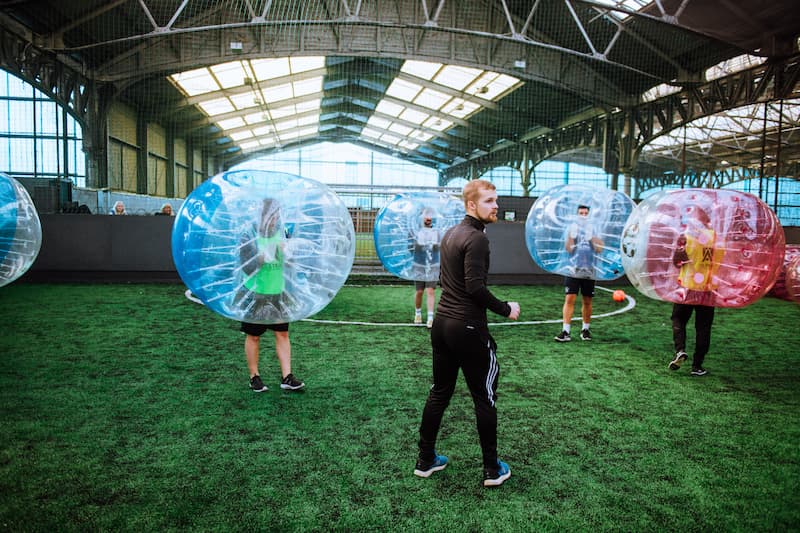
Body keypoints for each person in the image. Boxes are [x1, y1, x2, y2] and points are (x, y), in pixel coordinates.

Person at [414, 179, 520, 488]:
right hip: (467, 328)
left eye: (495, 200)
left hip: (443, 326)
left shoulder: (451, 233)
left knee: (440, 392)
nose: (495, 205)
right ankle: (492, 470)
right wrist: (506, 308)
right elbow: (474, 287)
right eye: (489, 201)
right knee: (484, 398)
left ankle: (425, 460)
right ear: (471, 205)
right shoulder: (476, 238)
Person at [237, 198, 304, 392]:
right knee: (254, 336)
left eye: (277, 215)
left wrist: (289, 252)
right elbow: (246, 267)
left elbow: (291, 264)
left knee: (282, 333)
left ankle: (287, 377)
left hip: (278, 291)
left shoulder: (282, 233)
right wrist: (263, 255)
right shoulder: (249, 235)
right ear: (262, 215)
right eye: (271, 216)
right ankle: (254, 376)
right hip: (255, 293)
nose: (275, 220)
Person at [667, 206, 724, 376]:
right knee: (703, 327)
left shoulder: (687, 238)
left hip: (688, 287)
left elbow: (676, 262)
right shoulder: (717, 239)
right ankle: (697, 366)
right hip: (709, 288)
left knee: (678, 318)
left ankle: (680, 350)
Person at [554, 204, 603, 342]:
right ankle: (566, 331)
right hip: (573, 269)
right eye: (581, 213)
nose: (583, 215)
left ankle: (585, 329)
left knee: (587, 300)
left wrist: (591, 236)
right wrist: (572, 235)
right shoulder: (572, 228)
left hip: (589, 269)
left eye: (585, 213)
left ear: (589, 215)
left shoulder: (594, 228)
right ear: (577, 215)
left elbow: (600, 249)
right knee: (570, 299)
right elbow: (568, 249)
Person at [412, 208, 441, 328]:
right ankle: (417, 313)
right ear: (421, 217)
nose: (428, 218)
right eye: (426, 216)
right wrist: (418, 244)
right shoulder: (415, 231)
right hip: (419, 264)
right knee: (419, 291)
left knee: (430, 291)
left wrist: (435, 244)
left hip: (432, 264)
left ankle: (430, 318)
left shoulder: (436, 231)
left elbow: (438, 248)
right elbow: (410, 247)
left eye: (430, 216)